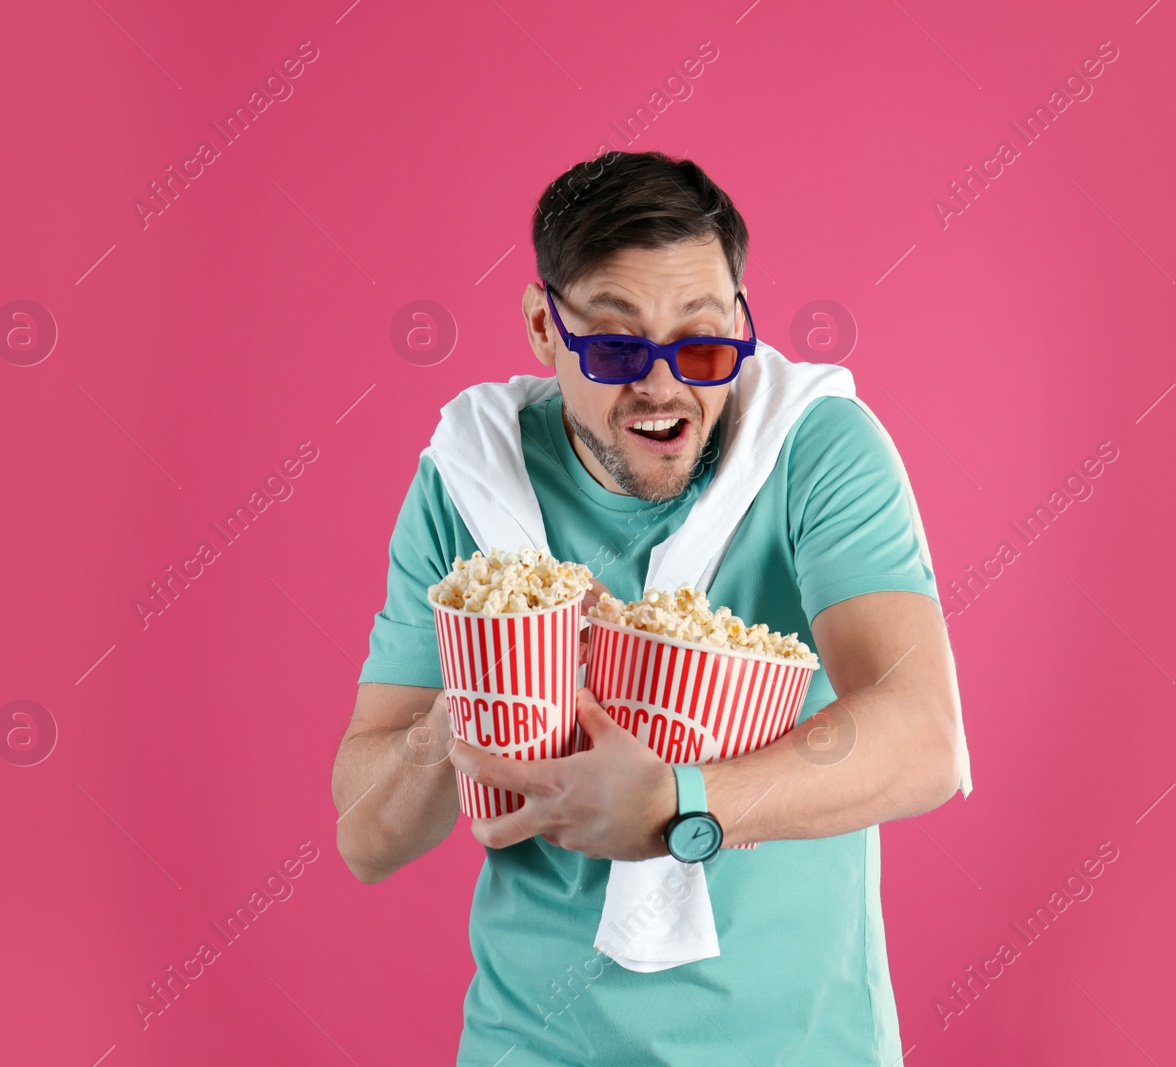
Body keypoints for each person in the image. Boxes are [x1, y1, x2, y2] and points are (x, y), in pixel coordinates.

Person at [332, 149, 968, 1066]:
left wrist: (681, 805)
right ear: (543, 329)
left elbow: (923, 740)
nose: (665, 386)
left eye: (702, 345)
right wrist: (477, 689)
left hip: (797, 1046)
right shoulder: (470, 480)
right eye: (618, 345)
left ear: (742, 327)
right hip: (531, 1043)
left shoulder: (812, 448)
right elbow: (366, 837)